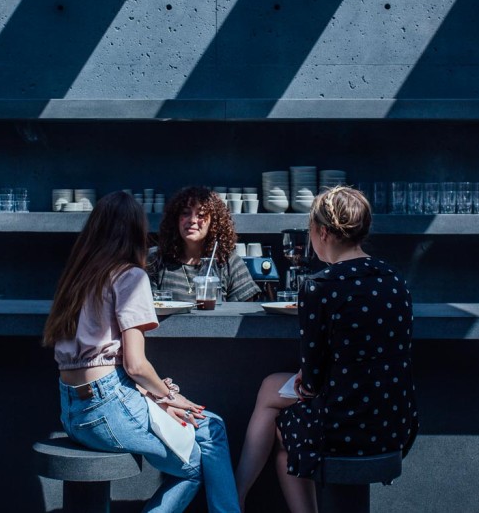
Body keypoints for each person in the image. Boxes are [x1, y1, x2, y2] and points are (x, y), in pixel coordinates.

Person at [42, 191, 240, 513]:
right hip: (108, 408)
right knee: (200, 453)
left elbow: (110, 367)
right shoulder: (130, 277)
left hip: (72, 410)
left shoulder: (76, 278)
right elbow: (135, 365)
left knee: (206, 426)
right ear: (136, 230)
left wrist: (158, 399)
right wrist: (171, 397)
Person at [234, 186, 418, 512]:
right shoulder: (394, 278)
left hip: (342, 429)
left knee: (278, 413)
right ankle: (233, 500)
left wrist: (308, 377)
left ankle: (233, 500)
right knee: (283, 429)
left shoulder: (320, 286)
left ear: (321, 232)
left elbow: (313, 382)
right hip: (395, 424)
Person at [147, 186, 260, 302]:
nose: (192, 220)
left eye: (201, 215)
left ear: (214, 222)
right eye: (185, 213)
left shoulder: (228, 262)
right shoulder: (156, 259)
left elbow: (245, 312)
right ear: (175, 219)